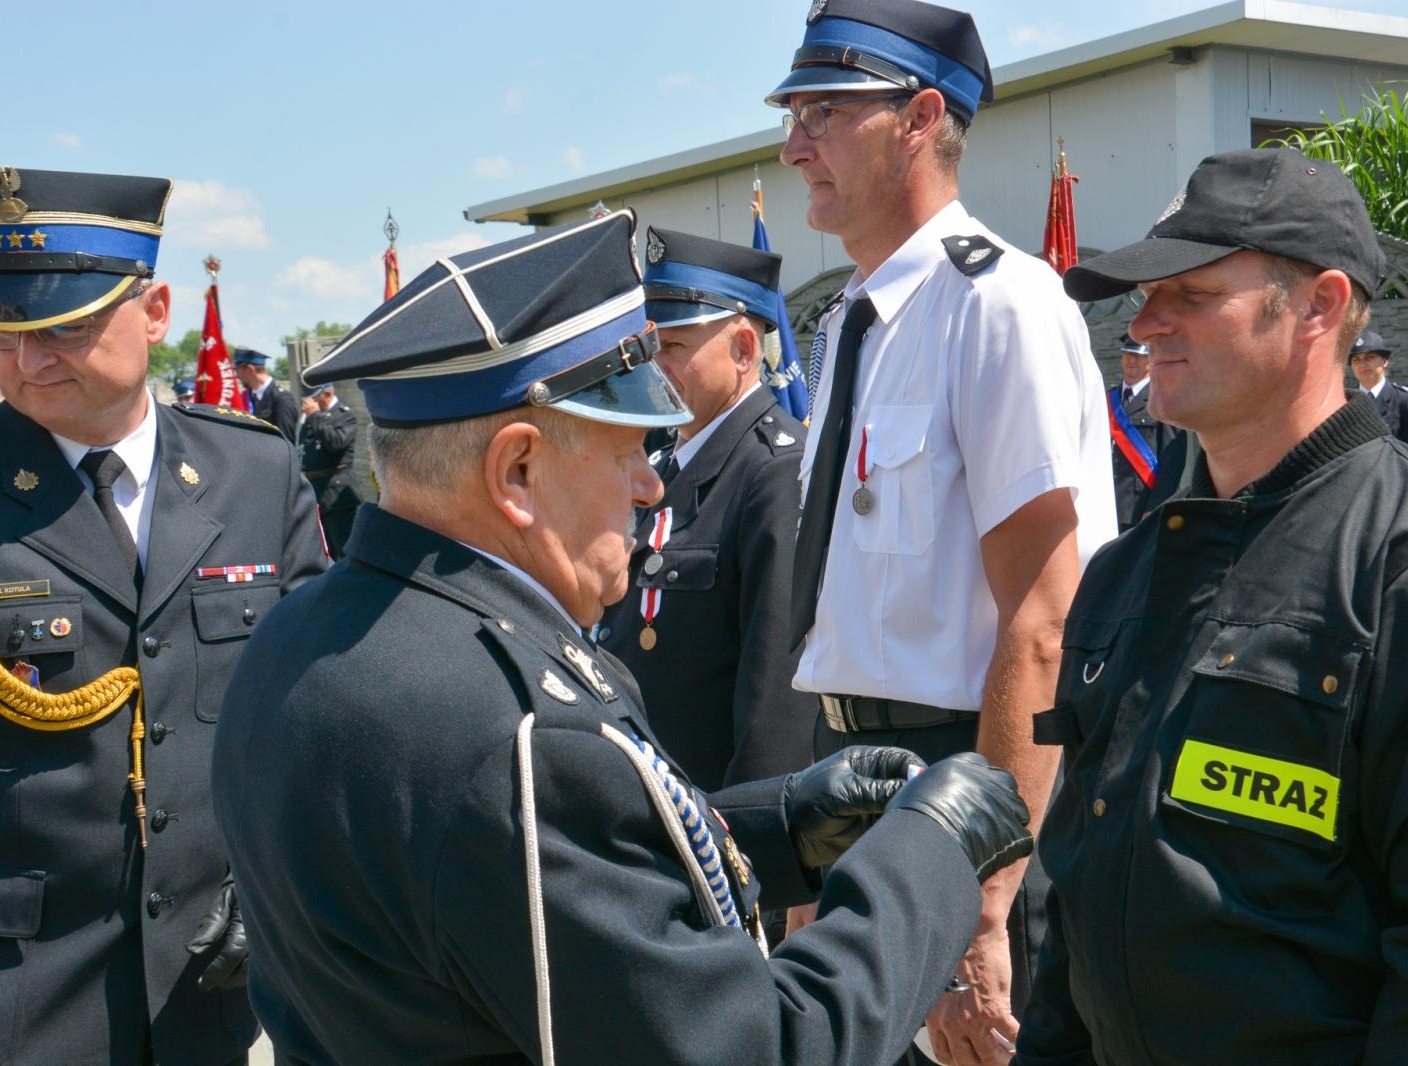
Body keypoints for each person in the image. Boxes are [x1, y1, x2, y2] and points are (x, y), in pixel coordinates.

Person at [211, 209, 1037, 1065]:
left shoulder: (297, 635)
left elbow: (506, 879)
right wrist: (928, 855)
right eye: (626, 452)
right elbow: (760, 1049)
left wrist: (774, 828)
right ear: (517, 471)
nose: (649, 485)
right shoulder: (523, 737)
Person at [1022, 147, 1408, 1064]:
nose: (1144, 321)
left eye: (1191, 293)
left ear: (1319, 306)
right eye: (1143, 292)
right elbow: (1077, 898)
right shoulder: (1127, 572)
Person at [0, 166, 328, 1064]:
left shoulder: (256, 473)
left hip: (210, 989)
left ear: (157, 310)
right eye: (1, 332)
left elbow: (308, 719)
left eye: (64, 327)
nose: (28, 361)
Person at [766, 2, 1117, 1059]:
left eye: (824, 111)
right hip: (847, 772)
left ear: (921, 117)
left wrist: (982, 898)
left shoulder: (999, 304)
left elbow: (1044, 616)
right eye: (793, 114)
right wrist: (806, 861)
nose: (793, 146)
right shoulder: (851, 325)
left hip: (960, 777)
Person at [601, 226, 816, 791]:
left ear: (744, 349)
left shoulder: (776, 473)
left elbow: (777, 704)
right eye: (649, 350)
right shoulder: (664, 461)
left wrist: (756, 849)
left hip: (718, 823)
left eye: (672, 348)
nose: (652, 368)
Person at [1108, 333, 1187, 531]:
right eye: (1127, 354)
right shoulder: (1107, 399)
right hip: (1105, 501)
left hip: (1139, 504)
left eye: (1139, 356)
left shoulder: (1164, 400)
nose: (1132, 360)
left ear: (1150, 361)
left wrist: (1155, 507)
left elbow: (1172, 460)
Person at [297, 382, 362, 558]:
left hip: (336, 493)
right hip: (316, 491)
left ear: (325, 395)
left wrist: (314, 415)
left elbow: (336, 443)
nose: (309, 403)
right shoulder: (313, 417)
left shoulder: (344, 415)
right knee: (325, 551)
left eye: (313, 398)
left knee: (344, 548)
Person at [1348, 329, 1408, 453]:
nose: (1362, 364)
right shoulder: (1345, 401)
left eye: (1369, 357)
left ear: (1385, 361)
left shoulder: (1404, 400)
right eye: (1356, 360)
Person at [232, 347, 299, 441]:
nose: (237, 375)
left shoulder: (281, 399)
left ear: (250, 369)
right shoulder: (247, 397)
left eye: (237, 369)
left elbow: (286, 441)